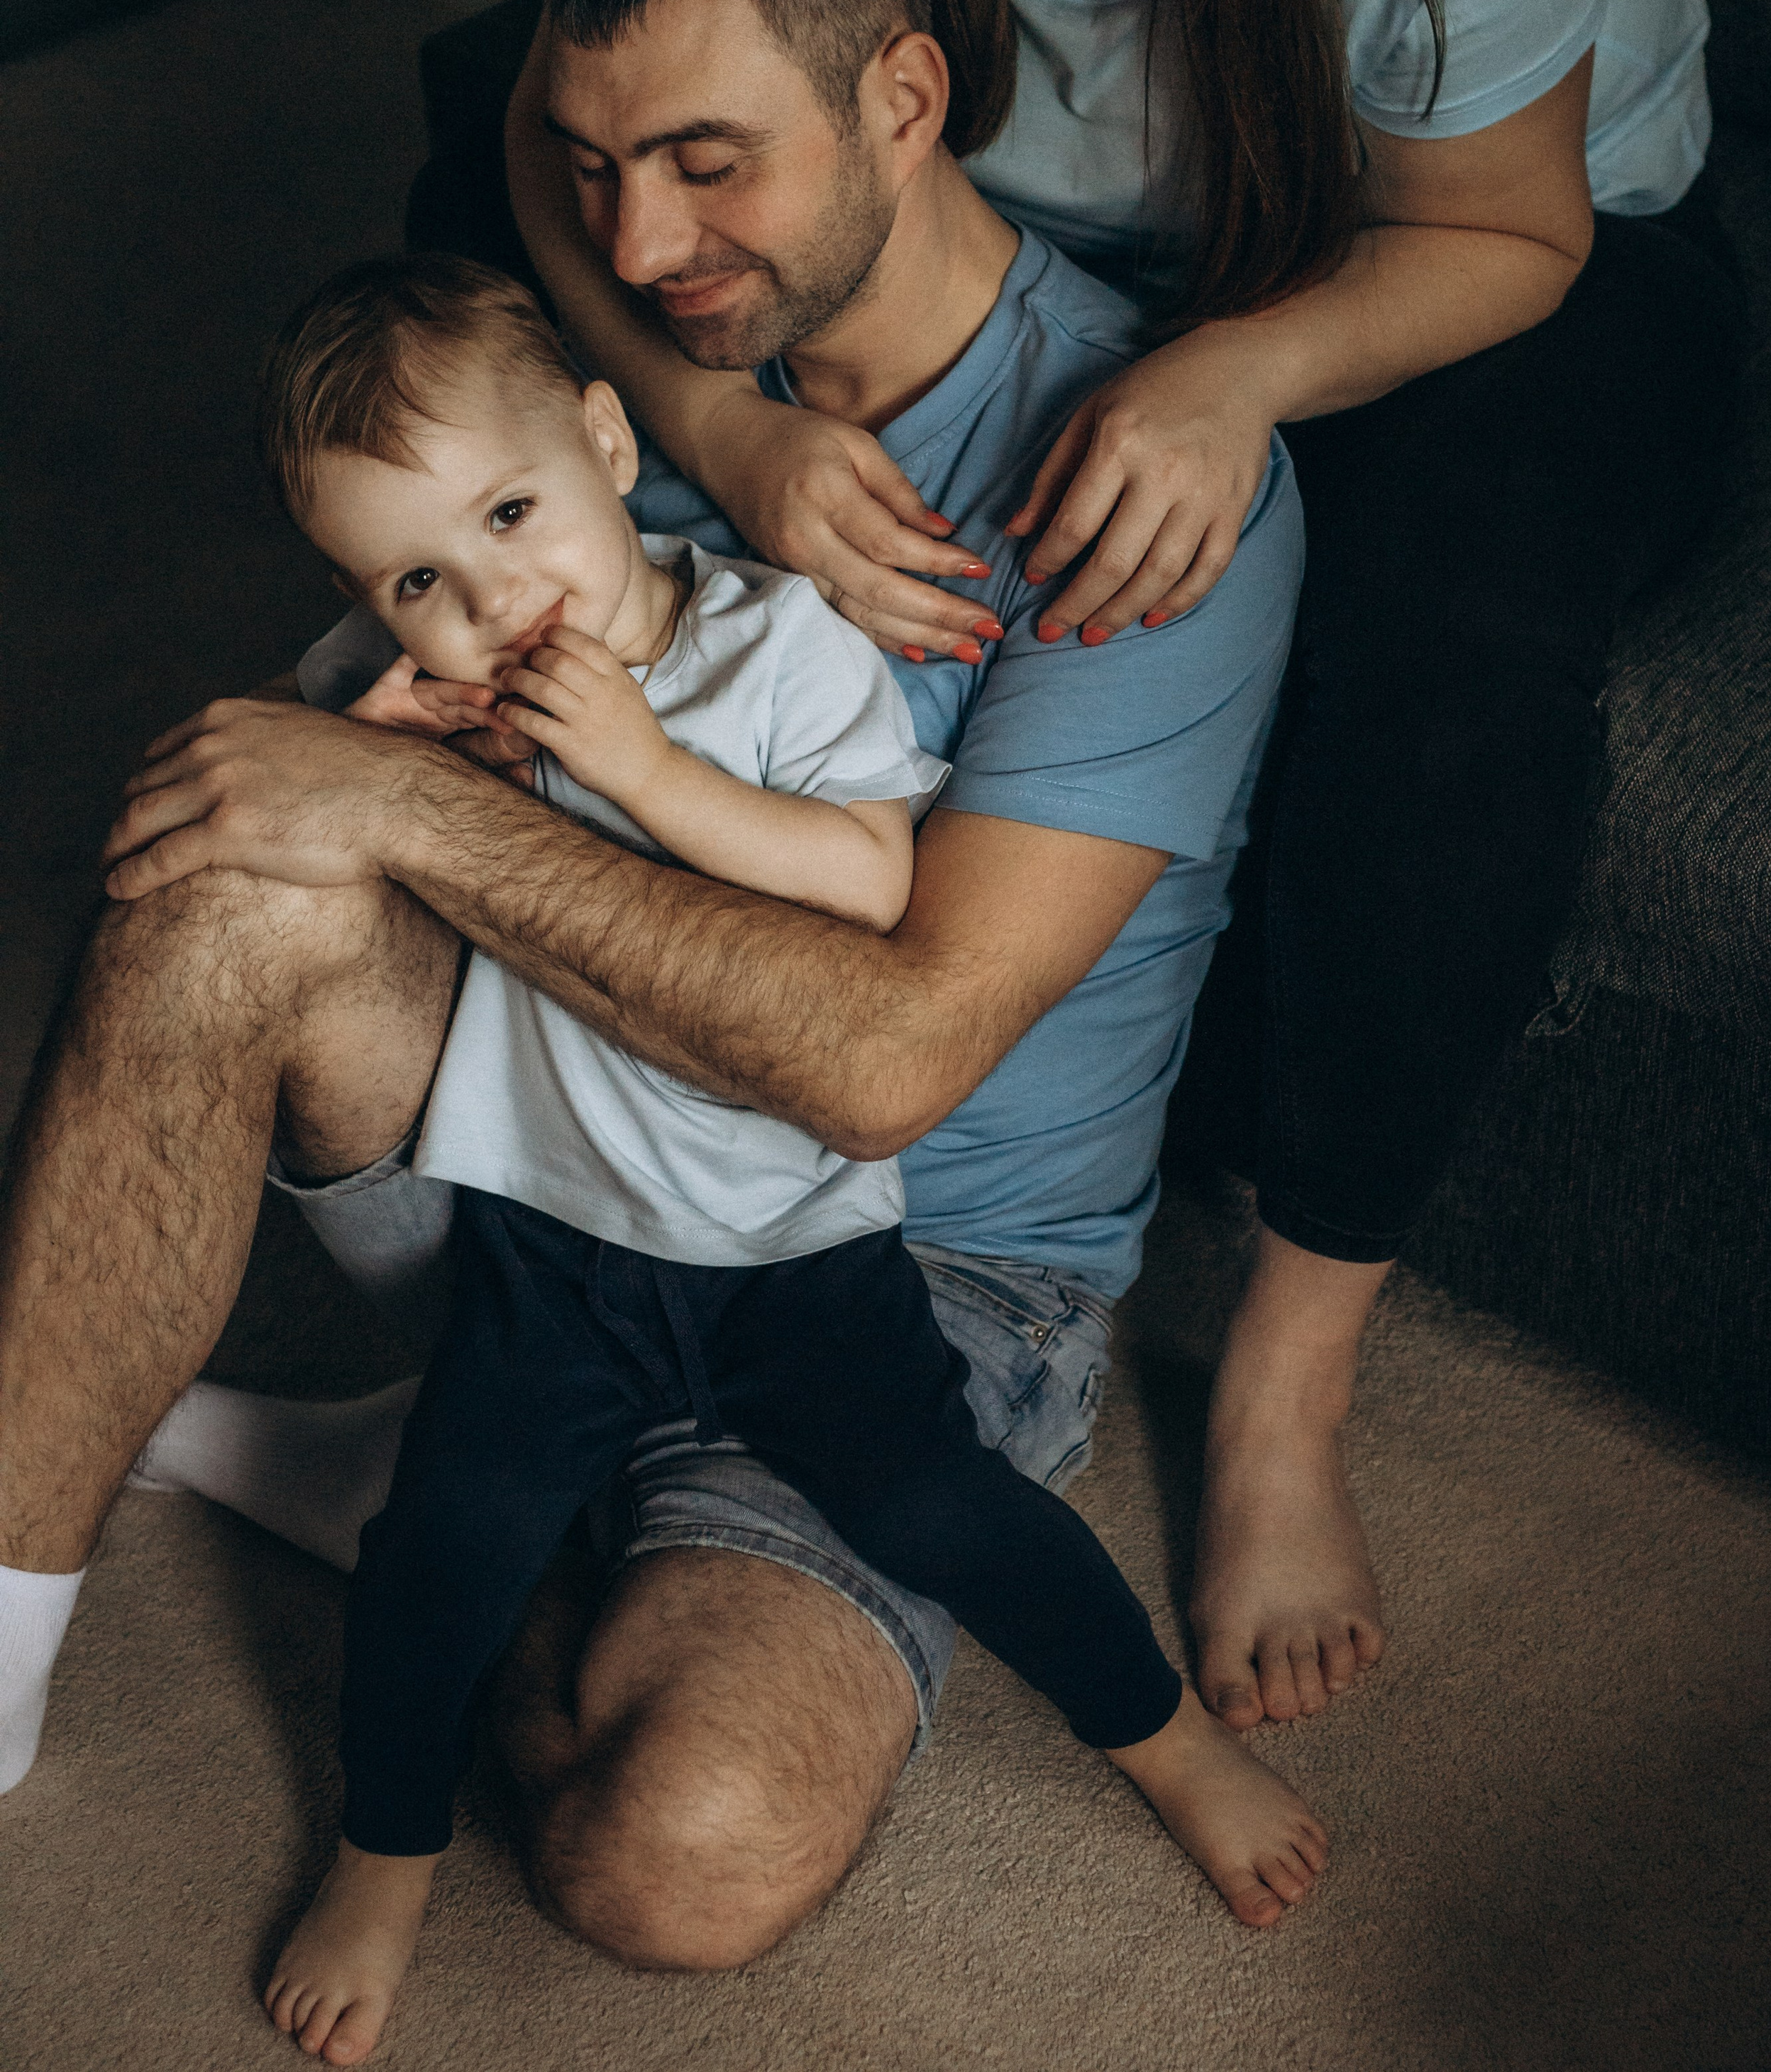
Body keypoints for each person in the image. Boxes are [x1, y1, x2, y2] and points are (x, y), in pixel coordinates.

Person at [499, 0, 1742, 1734]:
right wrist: (722, 427)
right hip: (1029, 219)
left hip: (1448, 256)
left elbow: (1513, 232)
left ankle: (1284, 1370)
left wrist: (1232, 379)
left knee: (1440, 640)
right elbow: (568, 82)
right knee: (479, 253)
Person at [0, 0, 1311, 1965]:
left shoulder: (1131, 489)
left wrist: (414, 811)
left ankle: (460, 1489)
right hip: (560, 1177)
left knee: (668, 1857)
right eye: (596, 165)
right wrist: (356, 746)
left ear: (903, 94)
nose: (643, 230)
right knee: (229, 861)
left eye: (709, 161)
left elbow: (886, 1063)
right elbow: (415, 563)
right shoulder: (608, 382)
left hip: (901, 1256)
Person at [250, 249, 1316, 2063]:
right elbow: (323, 815)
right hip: (555, 1248)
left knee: (939, 1508)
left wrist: (643, 772)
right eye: (416, 577)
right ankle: (384, 1847)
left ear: (605, 440)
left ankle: (1162, 1738)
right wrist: (380, 762)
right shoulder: (447, 695)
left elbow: (875, 885)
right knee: (443, 1545)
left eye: (512, 515)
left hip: (794, 1259)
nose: (490, 597)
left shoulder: (776, 644)